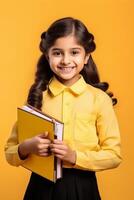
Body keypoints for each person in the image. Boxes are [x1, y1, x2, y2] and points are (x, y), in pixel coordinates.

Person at [5, 17, 122, 200]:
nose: (66, 60)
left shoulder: (99, 100)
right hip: (40, 188)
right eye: (57, 53)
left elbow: (114, 155)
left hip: (83, 188)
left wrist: (75, 156)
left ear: (86, 57)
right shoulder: (38, 97)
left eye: (74, 52)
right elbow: (10, 152)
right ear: (47, 55)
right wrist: (27, 147)